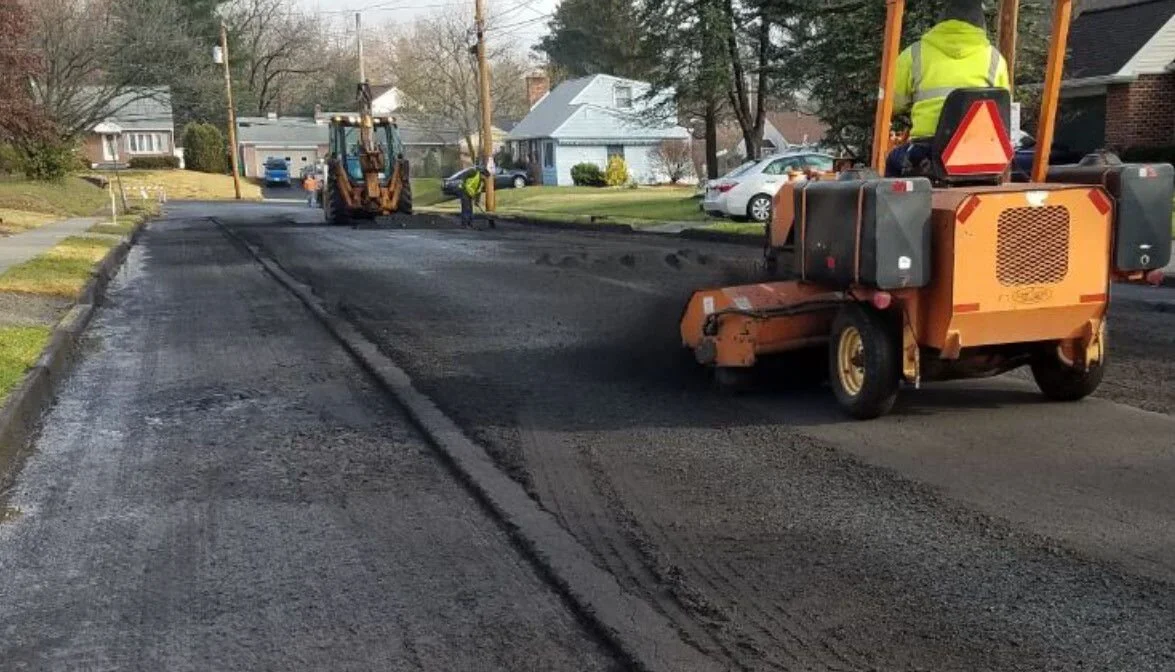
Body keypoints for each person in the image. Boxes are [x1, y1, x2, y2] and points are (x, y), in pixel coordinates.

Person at [885, 0, 1012, 177]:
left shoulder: (914, 54)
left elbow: (891, 105)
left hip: (928, 152)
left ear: (942, 20)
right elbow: (1002, 108)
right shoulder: (995, 59)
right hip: (980, 154)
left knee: (891, 161)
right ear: (980, 24)